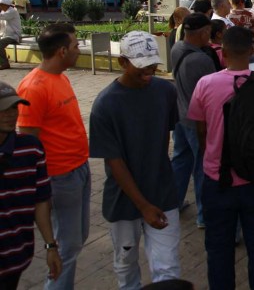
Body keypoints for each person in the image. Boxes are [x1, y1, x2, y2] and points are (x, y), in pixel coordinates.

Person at [188, 26, 254, 290]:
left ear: (223, 53)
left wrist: (213, 150)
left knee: (219, 250)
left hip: (217, 179)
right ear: (252, 51)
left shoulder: (205, 84)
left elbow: (200, 130)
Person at [90, 31, 181, 289]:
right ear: (123, 62)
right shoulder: (105, 105)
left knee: (168, 266)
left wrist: (158, 170)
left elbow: (164, 134)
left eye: (152, 65)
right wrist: (143, 205)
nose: (149, 71)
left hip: (162, 192)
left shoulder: (165, 91)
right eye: (142, 66)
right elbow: (114, 161)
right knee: (126, 264)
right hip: (124, 199)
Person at [17, 23, 90, 290]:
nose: (78, 49)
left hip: (79, 168)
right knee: (67, 247)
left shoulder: (61, 76)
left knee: (77, 238)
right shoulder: (33, 88)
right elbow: (28, 141)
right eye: (75, 46)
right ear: (61, 51)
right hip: (59, 176)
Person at [0, 81, 62, 289]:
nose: (11, 114)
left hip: (17, 255)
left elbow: (41, 200)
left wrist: (50, 246)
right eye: (3, 109)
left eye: (14, 107)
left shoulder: (31, 148)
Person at [170, 14, 218, 228]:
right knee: (202, 167)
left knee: (180, 160)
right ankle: (204, 215)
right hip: (196, 122)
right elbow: (211, 95)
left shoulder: (177, 48)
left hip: (180, 115)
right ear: (204, 32)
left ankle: (174, 202)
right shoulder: (202, 60)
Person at [0, 0, 21, 70]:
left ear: (6, 5)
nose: (0, 6)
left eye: (1, 5)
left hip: (13, 36)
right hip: (4, 35)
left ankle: (5, 64)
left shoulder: (12, 11)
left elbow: (3, 17)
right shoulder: (3, 12)